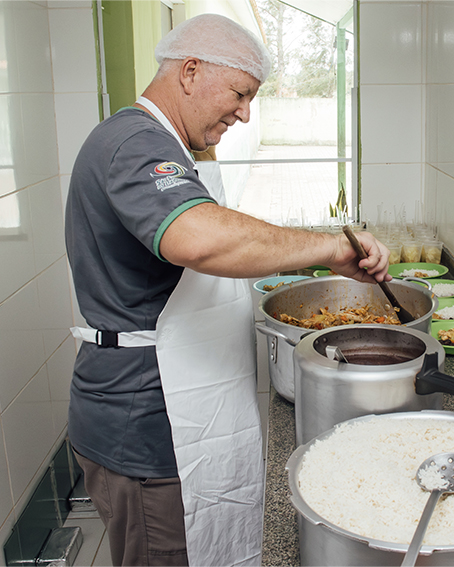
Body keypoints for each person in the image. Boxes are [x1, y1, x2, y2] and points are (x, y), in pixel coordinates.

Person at [64, 13, 390, 567]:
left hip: (176, 404)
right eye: (240, 94)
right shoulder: (135, 145)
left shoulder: (168, 146)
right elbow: (199, 239)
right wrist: (331, 247)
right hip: (146, 419)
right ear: (189, 72)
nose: (244, 113)